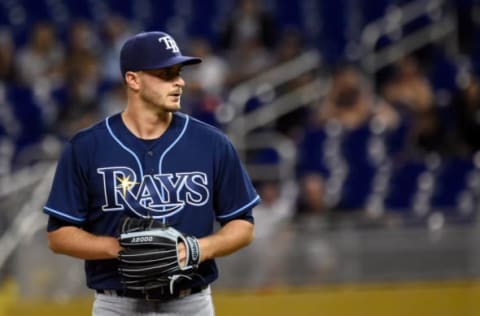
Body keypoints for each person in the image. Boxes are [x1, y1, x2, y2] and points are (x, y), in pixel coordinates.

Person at [43, 31, 260, 316]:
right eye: (166, 74)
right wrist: (118, 248)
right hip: (116, 304)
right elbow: (58, 235)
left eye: (179, 72)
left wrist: (196, 249)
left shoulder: (211, 143)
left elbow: (243, 226)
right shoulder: (87, 147)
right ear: (133, 79)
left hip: (191, 301)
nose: (179, 81)